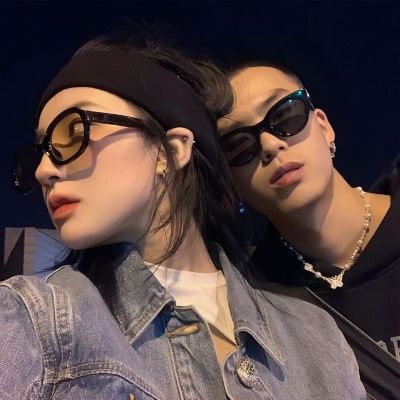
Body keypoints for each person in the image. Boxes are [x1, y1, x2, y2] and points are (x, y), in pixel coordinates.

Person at [2, 34, 366, 399]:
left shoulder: (317, 334)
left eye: (73, 133)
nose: (44, 171)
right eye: (41, 152)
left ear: (171, 150)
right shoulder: (31, 319)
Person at [218, 62, 400, 399]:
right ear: (231, 183)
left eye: (284, 116)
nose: (269, 144)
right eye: (238, 145)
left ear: (324, 127)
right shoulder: (257, 303)